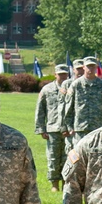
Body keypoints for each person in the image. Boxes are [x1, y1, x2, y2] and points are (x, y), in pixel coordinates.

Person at [35, 63, 72, 192]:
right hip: (53, 129)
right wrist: (41, 129)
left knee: (68, 157)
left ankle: (65, 182)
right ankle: (54, 184)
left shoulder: (72, 87)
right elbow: (40, 110)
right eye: (60, 74)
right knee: (53, 157)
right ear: (55, 75)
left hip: (69, 129)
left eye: (64, 74)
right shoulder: (47, 89)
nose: (62, 77)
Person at [65, 56, 102, 152]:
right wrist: (70, 127)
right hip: (80, 128)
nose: (90, 69)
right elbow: (69, 107)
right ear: (84, 67)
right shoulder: (76, 85)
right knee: (80, 156)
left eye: (93, 66)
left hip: (99, 127)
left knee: (99, 155)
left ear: (96, 67)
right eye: (88, 66)